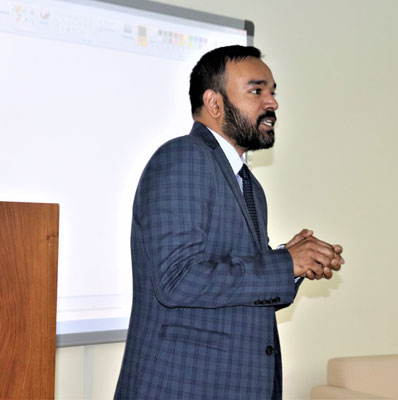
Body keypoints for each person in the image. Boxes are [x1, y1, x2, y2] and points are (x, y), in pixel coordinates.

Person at [114, 45, 344, 400]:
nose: (272, 103)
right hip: (183, 388)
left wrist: (293, 264)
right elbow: (178, 280)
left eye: (272, 92)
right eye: (256, 91)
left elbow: (238, 294)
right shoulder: (184, 157)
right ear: (214, 102)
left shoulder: (249, 185)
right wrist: (284, 263)